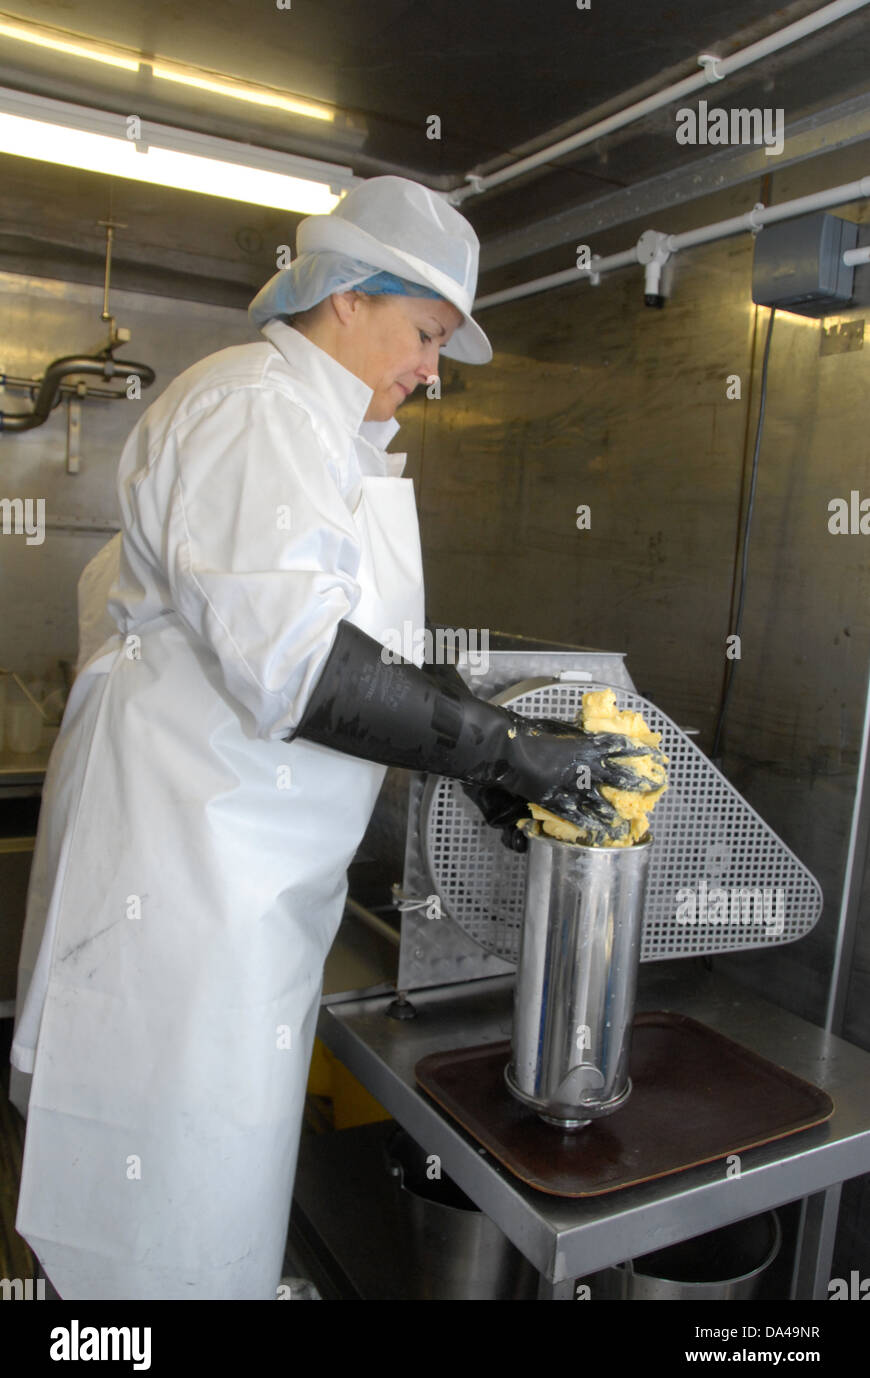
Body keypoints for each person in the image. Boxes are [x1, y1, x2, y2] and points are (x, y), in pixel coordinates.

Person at [9, 176, 662, 1300]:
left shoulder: (316, 431)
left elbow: (351, 651)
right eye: (424, 333)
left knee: (200, 1209)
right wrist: (505, 750)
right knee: (161, 1228)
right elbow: (304, 663)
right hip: (182, 899)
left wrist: (486, 763)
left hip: (234, 898)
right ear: (349, 296)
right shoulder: (260, 408)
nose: (432, 369)